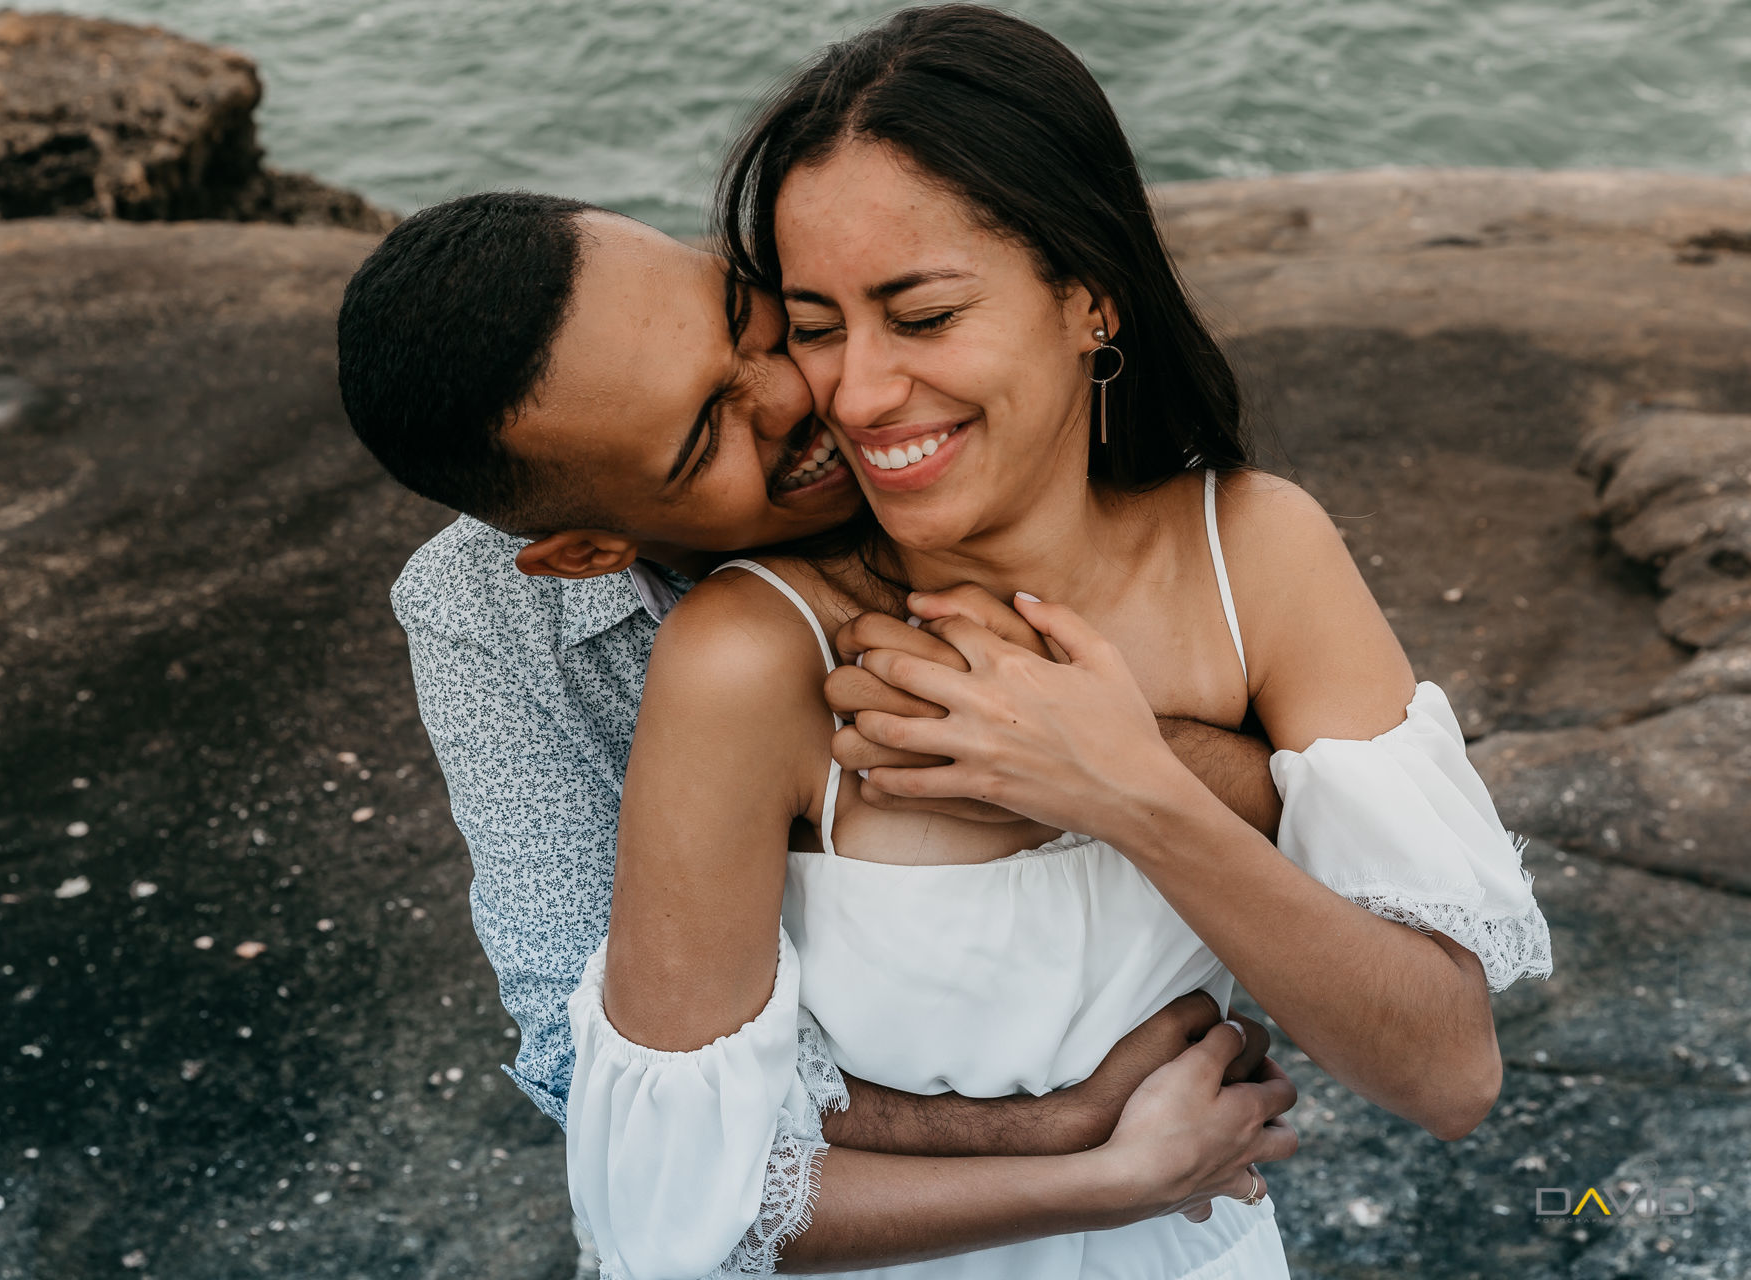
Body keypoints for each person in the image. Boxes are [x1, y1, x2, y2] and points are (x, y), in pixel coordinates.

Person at [564, 6, 1554, 1278]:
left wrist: (1131, 785)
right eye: (817, 325)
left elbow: (1448, 1069)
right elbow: (666, 1207)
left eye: (919, 314)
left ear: (1089, 297)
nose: (858, 394)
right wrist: (1098, 1178)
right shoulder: (754, 652)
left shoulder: (1256, 556)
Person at [338, 193, 1299, 1268]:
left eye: (753, 322)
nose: (809, 391)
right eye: (713, 432)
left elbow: (1296, 783)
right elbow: (597, 1073)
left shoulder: (952, 425)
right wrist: (1055, 1131)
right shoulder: (480, 615)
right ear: (585, 551)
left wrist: (1073, 750)